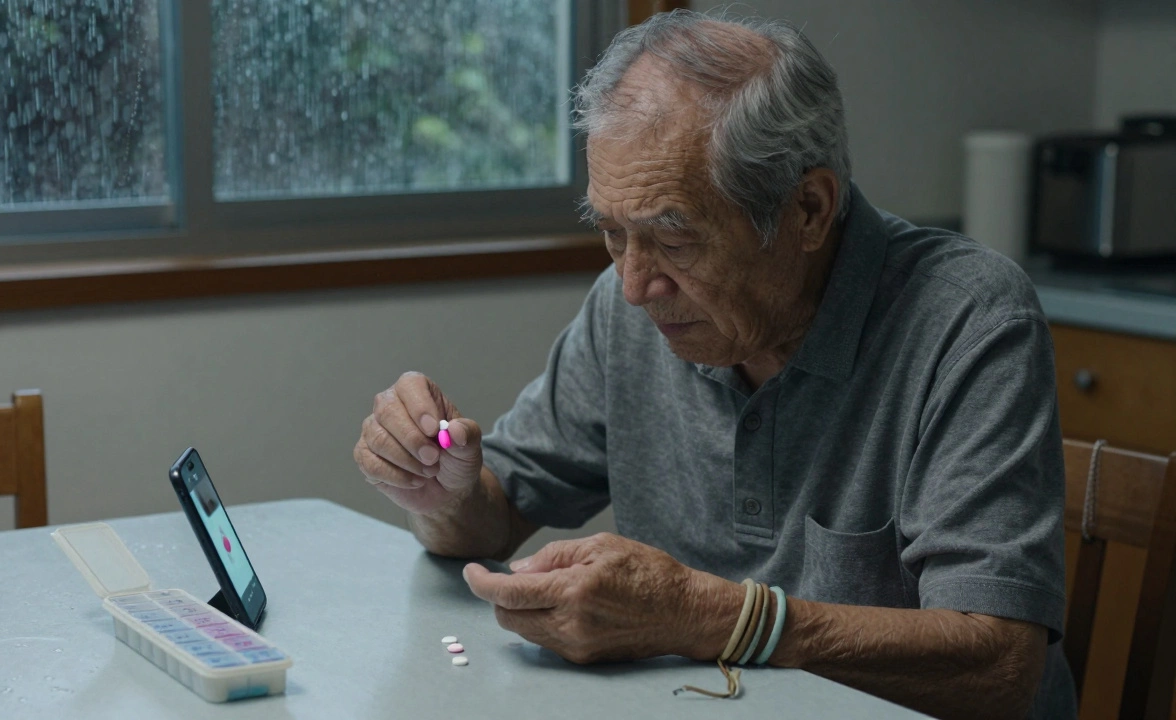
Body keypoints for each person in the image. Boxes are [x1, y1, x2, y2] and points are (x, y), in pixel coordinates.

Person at [353, 10, 1071, 720]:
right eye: (611, 233)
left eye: (675, 237)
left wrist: (710, 617)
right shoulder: (628, 310)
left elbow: (998, 664)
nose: (636, 287)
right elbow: (496, 515)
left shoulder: (969, 320)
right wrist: (442, 493)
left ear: (810, 211)